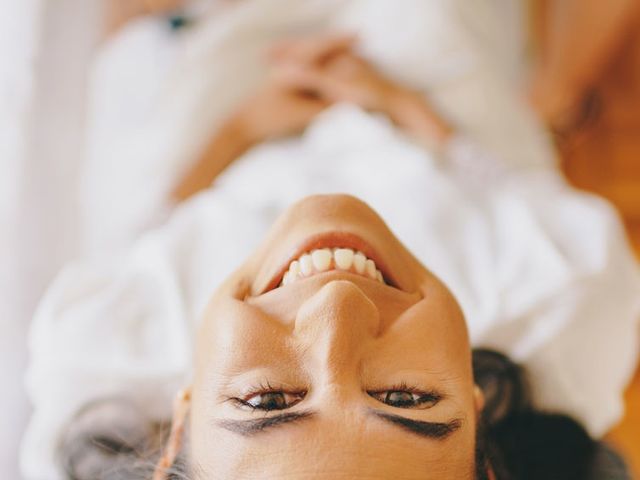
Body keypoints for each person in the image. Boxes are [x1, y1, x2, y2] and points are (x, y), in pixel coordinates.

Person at [21, 17, 640, 480]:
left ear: (178, 428)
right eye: (405, 398)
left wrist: (239, 129)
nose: (337, 305)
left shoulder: (97, 352)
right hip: (424, 101)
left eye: (267, 400)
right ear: (477, 415)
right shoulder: (566, 306)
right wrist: (402, 107)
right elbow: (529, 191)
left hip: (227, 101)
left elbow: (155, 235)